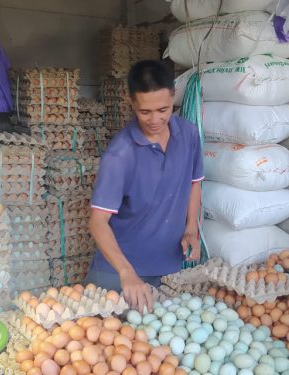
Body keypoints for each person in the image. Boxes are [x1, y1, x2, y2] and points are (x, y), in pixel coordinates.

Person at [83, 60, 204, 312]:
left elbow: (194, 183)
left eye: (163, 109)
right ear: (131, 103)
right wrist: (127, 273)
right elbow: (97, 222)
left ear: (173, 97)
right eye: (144, 112)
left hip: (169, 267)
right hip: (119, 273)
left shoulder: (188, 135)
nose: (155, 120)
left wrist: (191, 227)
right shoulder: (121, 154)